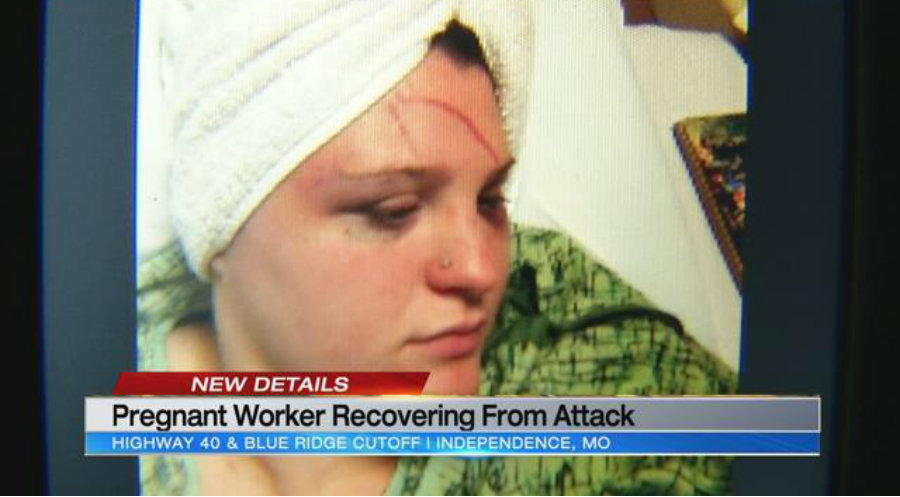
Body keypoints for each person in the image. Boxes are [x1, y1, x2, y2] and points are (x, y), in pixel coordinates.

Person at [139, 1, 736, 494]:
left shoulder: (576, 355)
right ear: (222, 227)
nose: (481, 268)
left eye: (490, 199)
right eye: (393, 211)